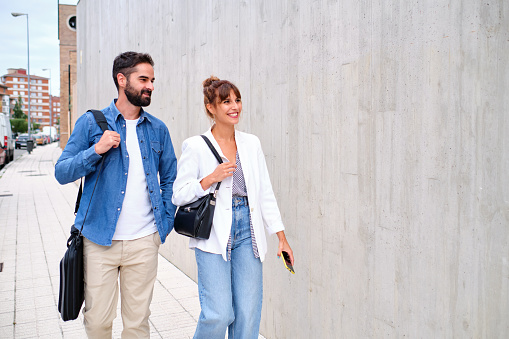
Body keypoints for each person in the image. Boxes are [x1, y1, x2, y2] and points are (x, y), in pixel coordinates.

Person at [55, 51, 177, 338]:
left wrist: (164, 226)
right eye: (143, 79)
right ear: (122, 80)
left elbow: (171, 178)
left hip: (144, 242)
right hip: (99, 241)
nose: (150, 86)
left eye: (152, 80)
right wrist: (95, 150)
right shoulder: (91, 123)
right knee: (98, 322)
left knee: (137, 325)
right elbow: (62, 172)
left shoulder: (158, 129)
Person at [172, 76, 295, 339]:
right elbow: (179, 195)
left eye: (237, 100)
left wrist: (281, 238)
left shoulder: (251, 143)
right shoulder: (195, 146)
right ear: (210, 107)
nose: (234, 106)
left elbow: (265, 193)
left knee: (248, 314)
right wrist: (210, 178)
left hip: (248, 231)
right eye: (226, 101)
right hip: (214, 231)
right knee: (218, 313)